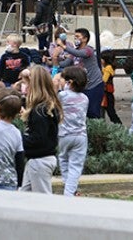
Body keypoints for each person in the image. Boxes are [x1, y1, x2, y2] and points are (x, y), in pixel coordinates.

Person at [19, 65, 62, 193]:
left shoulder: (39, 111)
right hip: (39, 159)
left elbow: (38, 139)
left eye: (28, 84)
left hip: (40, 161)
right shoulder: (47, 106)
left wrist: (16, 136)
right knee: (24, 197)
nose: (25, 88)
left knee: (43, 201)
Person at [56, 66, 89, 196]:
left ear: (69, 82)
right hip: (80, 136)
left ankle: (69, 189)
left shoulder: (62, 96)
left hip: (64, 135)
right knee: (76, 166)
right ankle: (70, 191)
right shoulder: (85, 99)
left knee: (63, 160)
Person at [63, 28, 104, 119]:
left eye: (78, 37)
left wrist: (64, 46)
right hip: (83, 86)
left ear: (85, 39)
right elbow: (66, 63)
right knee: (84, 112)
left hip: (94, 85)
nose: (75, 39)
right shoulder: (75, 52)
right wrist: (53, 60)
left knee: (93, 112)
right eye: (75, 37)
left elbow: (80, 54)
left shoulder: (88, 50)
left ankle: (96, 130)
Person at [100, 50, 122, 124]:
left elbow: (104, 80)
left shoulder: (108, 68)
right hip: (107, 93)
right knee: (108, 112)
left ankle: (119, 126)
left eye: (102, 59)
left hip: (107, 93)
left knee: (110, 112)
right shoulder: (108, 67)